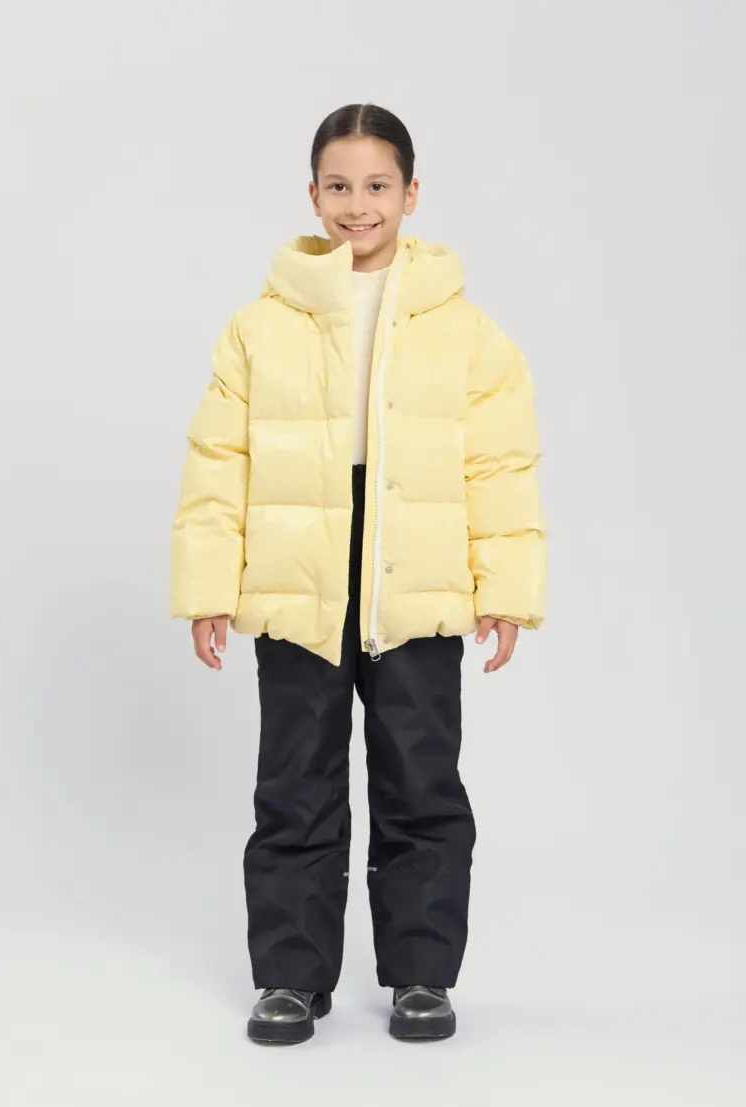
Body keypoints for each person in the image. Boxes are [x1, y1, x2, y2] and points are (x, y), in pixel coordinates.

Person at [170, 103, 547, 1045]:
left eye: (377, 185)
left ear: (411, 194)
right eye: (338, 185)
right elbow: (218, 463)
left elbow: (499, 467)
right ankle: (290, 977)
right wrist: (210, 587)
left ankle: (422, 974)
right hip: (298, 566)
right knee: (295, 777)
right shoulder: (260, 326)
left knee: (420, 774)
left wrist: (503, 590)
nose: (357, 203)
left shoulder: (469, 333)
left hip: (415, 567)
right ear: (312, 195)